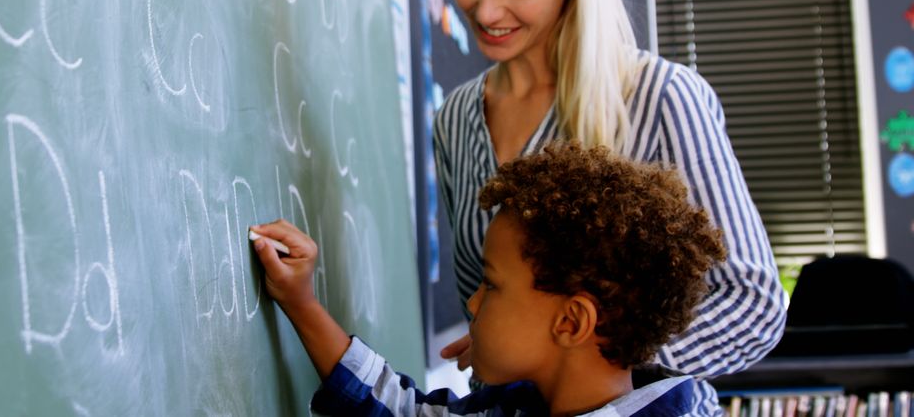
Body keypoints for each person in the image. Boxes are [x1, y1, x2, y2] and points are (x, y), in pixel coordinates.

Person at [431, 0, 786, 412]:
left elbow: (753, 305)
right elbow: (487, 304)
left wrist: (592, 371)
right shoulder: (454, 120)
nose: (486, 10)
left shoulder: (661, 96)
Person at [250, 141, 727, 416]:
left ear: (569, 323)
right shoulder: (527, 404)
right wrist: (301, 302)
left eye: (492, 286)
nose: (473, 304)